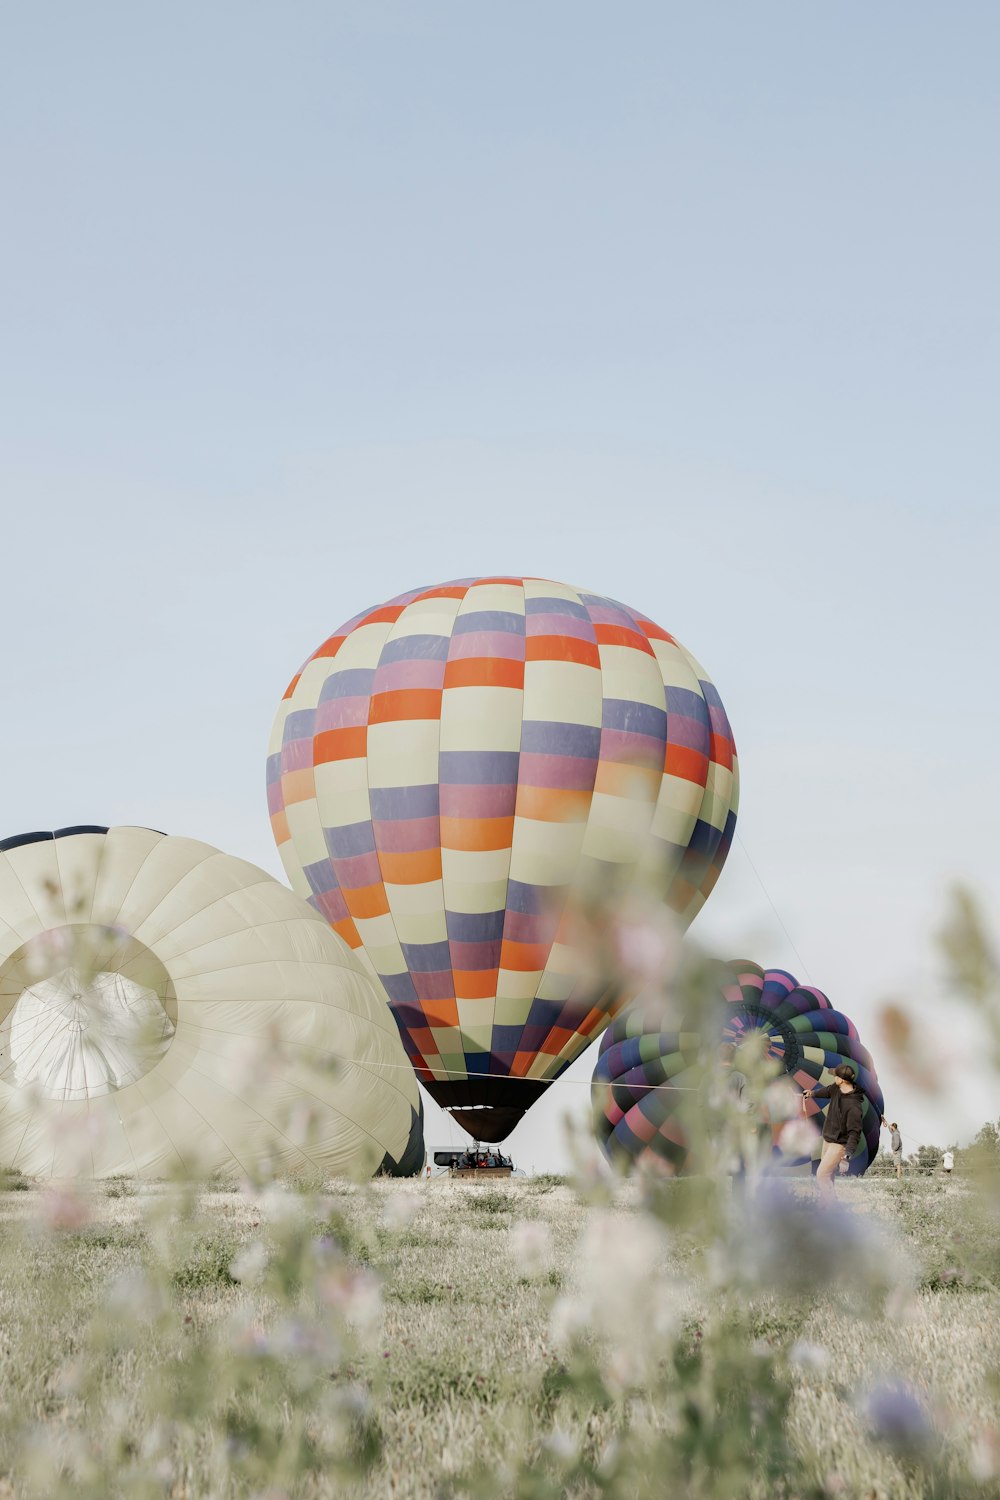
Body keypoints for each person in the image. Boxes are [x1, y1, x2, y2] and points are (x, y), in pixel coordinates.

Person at [801, 1063, 865, 1204]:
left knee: (822, 1175)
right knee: (828, 1177)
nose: (834, 1077)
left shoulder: (854, 1106)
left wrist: (846, 1155)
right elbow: (826, 1091)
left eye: (836, 1075)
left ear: (841, 1080)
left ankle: (833, 1210)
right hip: (828, 1139)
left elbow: (854, 1133)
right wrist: (812, 1093)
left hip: (839, 1144)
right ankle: (824, 1207)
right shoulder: (836, 1088)